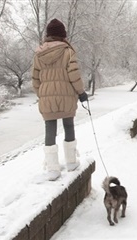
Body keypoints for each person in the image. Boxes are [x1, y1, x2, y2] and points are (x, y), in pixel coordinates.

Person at [31, 18, 88, 181]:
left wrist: (42, 93)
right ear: (62, 35)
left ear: (48, 35)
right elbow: (74, 75)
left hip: (46, 98)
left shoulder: (38, 54)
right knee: (68, 125)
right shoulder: (68, 51)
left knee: (50, 129)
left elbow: (35, 79)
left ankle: (52, 169)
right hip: (67, 96)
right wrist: (81, 92)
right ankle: (71, 162)